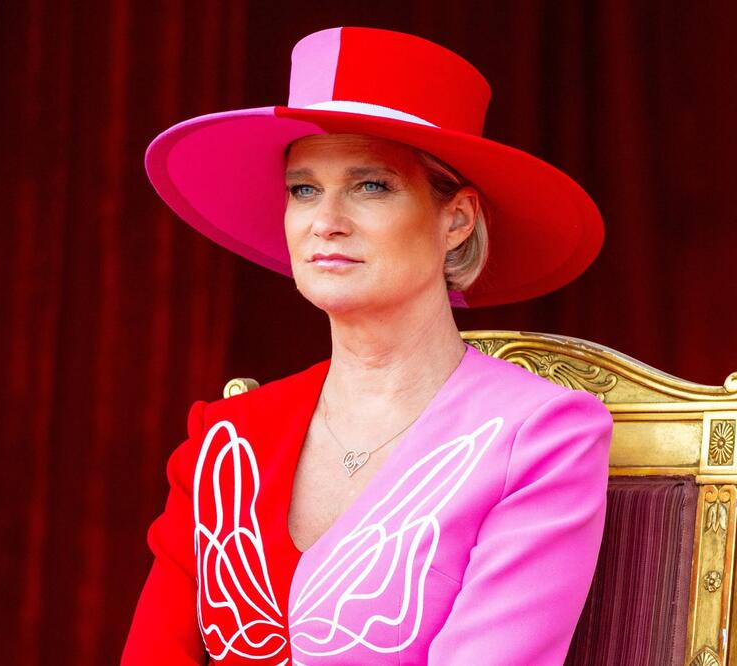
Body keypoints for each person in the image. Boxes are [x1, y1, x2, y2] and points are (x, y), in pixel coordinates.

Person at [123, 26, 612, 665]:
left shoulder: (543, 435)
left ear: (456, 220)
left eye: (370, 185)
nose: (326, 221)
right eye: (303, 189)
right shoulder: (225, 437)